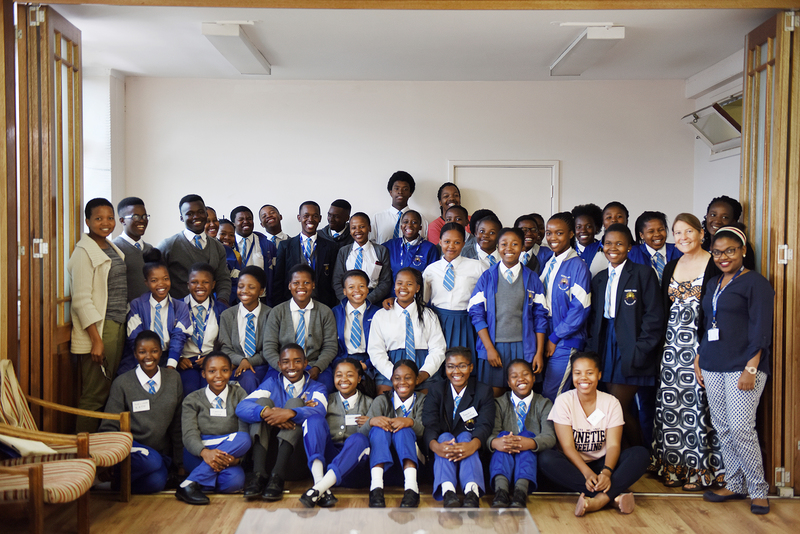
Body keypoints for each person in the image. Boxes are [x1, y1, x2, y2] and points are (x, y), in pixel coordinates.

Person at [698, 225, 773, 515]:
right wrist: (699, 356)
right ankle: (734, 482)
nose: (723, 257)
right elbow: (708, 324)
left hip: (744, 366)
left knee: (742, 429)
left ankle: (758, 489)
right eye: (717, 252)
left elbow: (761, 327)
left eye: (730, 251)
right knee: (724, 427)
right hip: (713, 364)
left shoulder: (755, 282)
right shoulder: (714, 282)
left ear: (743, 250)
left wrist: (752, 367)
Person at [650, 213, 724, 491]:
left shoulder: (715, 265)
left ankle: (701, 471)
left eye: (688, 231)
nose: (683, 238)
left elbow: (718, 313)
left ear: (702, 233)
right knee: (671, 406)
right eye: (677, 233)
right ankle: (673, 467)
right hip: (671, 348)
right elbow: (663, 311)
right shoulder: (671, 266)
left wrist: (703, 351)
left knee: (699, 406)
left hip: (700, 346)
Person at [539, 351, 649, 516]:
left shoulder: (611, 402)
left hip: (603, 462)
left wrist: (606, 471)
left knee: (640, 454)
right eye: (578, 373)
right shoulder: (564, 401)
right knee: (546, 459)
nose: (583, 378)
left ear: (599, 375)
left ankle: (598, 501)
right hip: (574, 465)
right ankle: (613, 496)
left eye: (589, 373)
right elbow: (567, 447)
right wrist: (587, 472)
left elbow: (613, 445)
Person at [587, 223, 664, 448]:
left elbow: (654, 317)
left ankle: (642, 453)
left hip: (632, 348)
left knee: (618, 406)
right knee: (609, 406)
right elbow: (594, 318)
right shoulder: (599, 278)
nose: (613, 248)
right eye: (608, 243)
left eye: (619, 243)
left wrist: (641, 350)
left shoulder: (643, 274)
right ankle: (626, 455)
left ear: (630, 247)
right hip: (605, 348)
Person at [235, 343, 328, 501]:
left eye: (297, 361)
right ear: (279, 364)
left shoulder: (317, 388)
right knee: (262, 404)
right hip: (267, 459)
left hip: (296, 460)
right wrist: (267, 413)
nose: (291, 366)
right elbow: (241, 407)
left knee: (295, 403)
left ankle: (278, 476)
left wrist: (290, 413)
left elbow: (319, 410)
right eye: (285, 362)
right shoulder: (271, 384)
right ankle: (258, 474)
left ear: (306, 364)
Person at [69, 198, 127, 432]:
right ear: (87, 221)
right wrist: (96, 340)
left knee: (108, 391)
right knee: (94, 394)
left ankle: (100, 450)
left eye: (110, 218)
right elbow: (81, 301)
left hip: (118, 324)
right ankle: (82, 452)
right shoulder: (84, 252)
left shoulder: (109, 246)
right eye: (99, 218)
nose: (106, 223)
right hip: (102, 329)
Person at [99, 330, 183, 494]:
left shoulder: (174, 379)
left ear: (161, 352)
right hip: (130, 452)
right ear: (135, 354)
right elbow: (109, 427)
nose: (148, 356)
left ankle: (115, 485)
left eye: (154, 351)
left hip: (160, 454)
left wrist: (180, 465)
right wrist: (108, 460)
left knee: (157, 482)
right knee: (152, 460)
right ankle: (110, 475)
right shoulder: (122, 383)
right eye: (142, 352)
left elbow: (177, 426)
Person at [468, 227, 548, 397]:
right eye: (504, 244)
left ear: (523, 247)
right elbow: (476, 313)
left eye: (515, 244)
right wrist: (489, 348)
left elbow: (540, 317)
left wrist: (539, 352)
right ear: (498, 246)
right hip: (494, 347)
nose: (509, 248)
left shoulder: (532, 278)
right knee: (493, 399)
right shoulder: (487, 277)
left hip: (525, 348)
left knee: (522, 397)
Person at [422, 347, 496, 508]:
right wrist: (436, 447)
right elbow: (430, 424)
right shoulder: (436, 390)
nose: (456, 371)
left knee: (465, 436)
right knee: (444, 437)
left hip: (472, 449)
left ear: (471, 367)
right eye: (451, 366)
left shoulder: (483, 391)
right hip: (443, 451)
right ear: (445, 368)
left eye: (462, 366)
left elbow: (485, 424)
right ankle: (448, 491)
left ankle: (471, 492)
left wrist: (472, 445)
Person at [176, 352, 251, 505]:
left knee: (235, 481)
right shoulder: (192, 399)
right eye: (212, 371)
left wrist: (236, 460)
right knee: (242, 440)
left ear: (230, 372)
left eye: (224, 370)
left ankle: (191, 483)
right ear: (203, 374)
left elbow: (243, 430)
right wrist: (206, 453)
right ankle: (200, 479)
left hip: (230, 453)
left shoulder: (239, 394)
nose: (219, 376)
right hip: (198, 453)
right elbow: (189, 435)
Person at [299, 358, 372, 508]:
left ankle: (318, 490)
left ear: (359, 379)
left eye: (350, 375)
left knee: (359, 439)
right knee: (313, 419)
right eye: (339, 375)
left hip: (354, 468)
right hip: (326, 463)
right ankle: (320, 484)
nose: (343, 379)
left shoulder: (371, 403)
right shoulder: (325, 401)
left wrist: (372, 422)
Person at [488, 359, 556, 508]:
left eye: (525, 374)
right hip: (503, 453)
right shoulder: (498, 403)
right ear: (508, 382)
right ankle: (501, 492)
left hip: (530, 455)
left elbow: (550, 437)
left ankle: (520, 492)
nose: (521, 379)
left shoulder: (544, 403)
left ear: (533, 378)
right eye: (514, 376)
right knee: (503, 436)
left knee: (527, 435)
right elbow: (490, 434)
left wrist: (528, 442)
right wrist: (497, 442)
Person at [368, 267, 446, 394]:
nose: (403, 287)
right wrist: (394, 375)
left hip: (422, 365)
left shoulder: (428, 315)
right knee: (386, 402)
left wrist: (423, 374)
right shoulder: (381, 315)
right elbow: (376, 351)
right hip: (391, 367)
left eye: (409, 284)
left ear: (417, 288)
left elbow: (438, 349)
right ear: (394, 286)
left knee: (427, 404)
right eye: (399, 283)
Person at [539, 213, 592, 402]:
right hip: (547, 333)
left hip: (565, 339)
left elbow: (580, 309)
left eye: (559, 233)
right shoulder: (549, 263)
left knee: (554, 395)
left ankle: (552, 432)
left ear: (571, 234)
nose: (553, 238)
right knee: (544, 391)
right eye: (549, 233)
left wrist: (554, 337)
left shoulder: (578, 266)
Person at [263, 264, 338, 394]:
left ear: (313, 285)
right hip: (282, 367)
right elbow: (269, 347)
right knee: (270, 393)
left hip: (314, 365)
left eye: (306, 282)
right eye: (296, 283)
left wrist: (317, 368)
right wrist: (285, 368)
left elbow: (330, 347)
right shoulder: (277, 312)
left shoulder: (325, 312)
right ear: (289, 285)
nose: (301, 287)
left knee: (323, 390)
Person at [362, 360, 427, 508]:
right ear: (391, 380)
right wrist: (371, 421)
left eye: (408, 377)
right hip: (385, 467)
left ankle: (412, 489)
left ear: (417, 380)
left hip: (414, 468)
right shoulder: (381, 400)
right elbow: (362, 434)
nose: (402, 382)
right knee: (378, 429)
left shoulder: (423, 400)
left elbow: (426, 432)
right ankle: (376, 488)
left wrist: (410, 422)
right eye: (397, 378)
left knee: (403, 430)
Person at [118, 261, 191, 375]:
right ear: (146, 283)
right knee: (125, 382)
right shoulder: (136, 305)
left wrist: (170, 367)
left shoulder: (180, 307)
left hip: (167, 356)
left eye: (165, 279)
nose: (161, 284)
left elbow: (179, 337)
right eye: (154, 280)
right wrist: (144, 365)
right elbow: (134, 337)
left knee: (172, 383)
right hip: (140, 356)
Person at [157, 194, 231, 304]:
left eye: (200, 212)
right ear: (181, 218)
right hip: (178, 314)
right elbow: (156, 280)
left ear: (206, 214)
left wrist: (221, 303)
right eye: (190, 214)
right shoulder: (168, 246)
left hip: (208, 313)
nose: (196, 216)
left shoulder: (217, 247)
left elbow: (223, 279)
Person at [422, 223, 483, 353]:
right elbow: (423, 299)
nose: (451, 246)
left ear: (463, 243)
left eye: (456, 242)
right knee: (439, 359)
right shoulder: (431, 270)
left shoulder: (477, 267)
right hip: (437, 320)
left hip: (466, 321)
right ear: (440, 242)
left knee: (463, 361)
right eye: (447, 241)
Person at [273, 201, 339, 307]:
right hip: (292, 304)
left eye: (315, 216)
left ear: (320, 218)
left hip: (322, 306)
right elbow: (278, 281)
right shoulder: (285, 246)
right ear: (299, 218)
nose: (310, 219)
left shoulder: (331, 247)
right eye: (306, 216)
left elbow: (333, 280)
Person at [219, 266, 272, 394]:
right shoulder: (227, 315)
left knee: (251, 378)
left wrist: (249, 362)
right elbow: (225, 348)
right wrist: (241, 361)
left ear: (261, 291)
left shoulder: (270, 314)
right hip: (234, 365)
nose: (244, 291)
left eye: (251, 287)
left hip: (261, 366)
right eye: (241, 286)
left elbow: (269, 349)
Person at [178, 263, 229, 395]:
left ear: (213, 285)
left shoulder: (222, 310)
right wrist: (179, 358)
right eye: (194, 282)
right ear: (188, 284)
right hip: (186, 362)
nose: (200, 286)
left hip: (212, 362)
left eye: (205, 282)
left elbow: (226, 342)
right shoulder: (176, 307)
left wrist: (211, 357)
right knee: (189, 388)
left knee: (211, 391)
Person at [331, 269, 380, 386]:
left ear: (368, 289)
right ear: (344, 291)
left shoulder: (378, 313)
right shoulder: (335, 312)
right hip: (343, 359)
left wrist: (367, 364)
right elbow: (330, 345)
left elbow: (382, 345)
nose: (357, 290)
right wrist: (341, 363)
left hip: (370, 360)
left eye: (362, 286)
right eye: (351, 287)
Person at [332, 212, 392, 305]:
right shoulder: (343, 251)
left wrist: (367, 300)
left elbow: (385, 282)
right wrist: (348, 300)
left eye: (362, 226)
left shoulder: (381, 251)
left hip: (373, 300)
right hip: (348, 300)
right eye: (353, 228)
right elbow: (337, 280)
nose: (358, 230)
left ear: (369, 228)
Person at [229, 205, 278, 304]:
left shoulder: (267, 245)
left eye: (249, 219)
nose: (246, 222)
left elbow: (276, 275)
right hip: (234, 301)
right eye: (241, 219)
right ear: (233, 223)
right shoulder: (227, 244)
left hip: (262, 300)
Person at [383, 210, 440, 291]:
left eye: (414, 222)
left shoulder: (430, 248)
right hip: (393, 297)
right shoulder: (390, 245)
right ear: (401, 226)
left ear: (420, 227)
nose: (409, 225)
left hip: (418, 298)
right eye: (405, 222)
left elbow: (432, 279)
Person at [113, 196, 154, 303]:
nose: (142, 221)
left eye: (144, 216)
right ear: (122, 220)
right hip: (127, 315)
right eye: (135, 217)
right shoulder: (114, 249)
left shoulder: (150, 249)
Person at [370, 170, 428, 244]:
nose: (400, 192)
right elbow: (372, 245)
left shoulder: (420, 218)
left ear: (410, 193)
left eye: (405, 189)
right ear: (391, 192)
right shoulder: (377, 218)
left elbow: (424, 244)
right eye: (396, 188)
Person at [700, 196, 756, 270]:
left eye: (724, 217)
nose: (717, 221)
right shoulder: (700, 247)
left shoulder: (740, 248)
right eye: (713, 215)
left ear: (734, 221)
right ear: (707, 216)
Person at [628, 211, 683, 284]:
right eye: (651, 231)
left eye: (661, 230)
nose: (657, 234)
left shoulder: (679, 250)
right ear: (642, 235)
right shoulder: (632, 254)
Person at [571, 203, 607, 277]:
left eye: (588, 226)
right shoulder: (570, 250)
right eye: (578, 227)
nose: (583, 230)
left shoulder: (604, 249)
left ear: (596, 228)